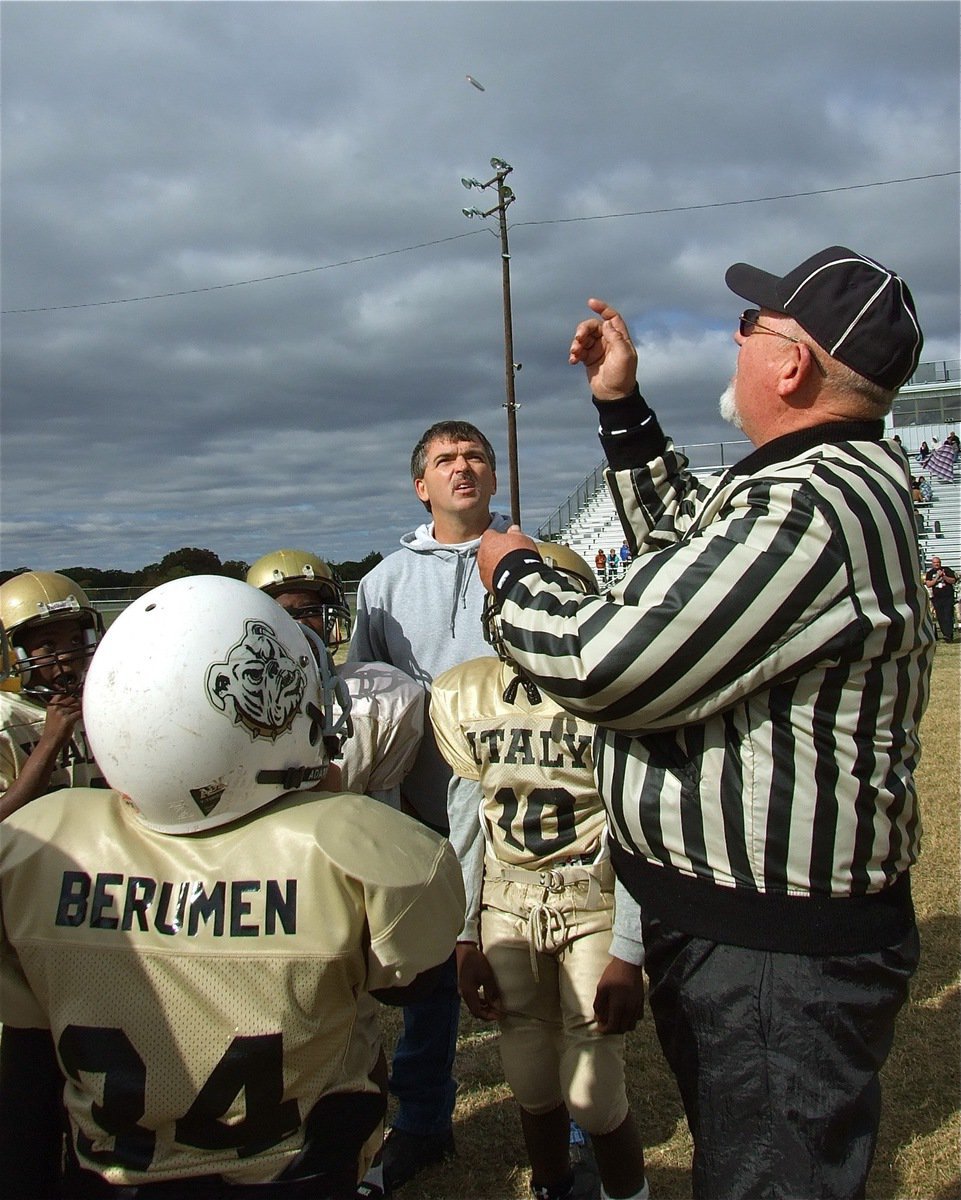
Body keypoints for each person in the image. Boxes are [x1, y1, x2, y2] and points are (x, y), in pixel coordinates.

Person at [477, 245, 931, 1199]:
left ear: (790, 364)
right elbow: (691, 537)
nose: (735, 340)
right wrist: (621, 406)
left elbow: (609, 668)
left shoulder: (813, 501)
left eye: (751, 327)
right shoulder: (811, 482)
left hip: (775, 959)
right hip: (750, 937)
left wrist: (514, 577)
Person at [0, 574, 465, 1200]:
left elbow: (28, 1079)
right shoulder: (355, 848)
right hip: (298, 1172)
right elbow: (416, 983)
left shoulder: (32, 849)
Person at [431, 541, 649, 1200]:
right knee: (528, 1075)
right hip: (506, 898)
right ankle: (552, 1187)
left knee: (593, 1089)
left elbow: (638, 827)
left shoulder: (612, 696)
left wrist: (630, 948)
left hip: (592, 893)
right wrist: (464, 934)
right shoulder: (466, 693)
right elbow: (466, 823)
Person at [348, 419, 512, 1192]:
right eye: (445, 459)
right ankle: (420, 1121)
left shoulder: (531, 564)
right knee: (430, 977)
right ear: (422, 485)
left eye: (474, 455)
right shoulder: (382, 583)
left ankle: (579, 1124)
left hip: (519, 807)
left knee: (542, 962)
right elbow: (368, 705)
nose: (462, 467)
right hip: (424, 810)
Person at [246, 549, 424, 806]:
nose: (300, 624)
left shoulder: (382, 697)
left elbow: (384, 809)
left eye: (309, 610)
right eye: (282, 613)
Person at [0, 570, 106, 821]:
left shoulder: (104, 701)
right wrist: (49, 742)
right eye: (49, 644)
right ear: (11, 653)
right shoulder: (6, 719)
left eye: (76, 640)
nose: (68, 654)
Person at [924, 555, 957, 642]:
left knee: (948, 615)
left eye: (938, 562)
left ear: (940, 563)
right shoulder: (930, 573)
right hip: (937, 598)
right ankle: (945, 633)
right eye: (935, 563)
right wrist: (937, 577)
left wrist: (944, 576)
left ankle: (949, 635)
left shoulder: (947, 570)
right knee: (940, 616)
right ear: (932, 564)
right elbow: (928, 584)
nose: (937, 564)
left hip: (948, 597)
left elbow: (953, 580)